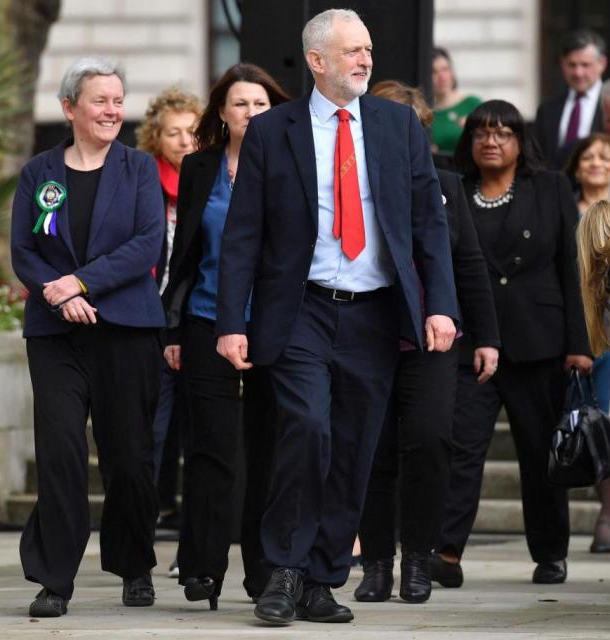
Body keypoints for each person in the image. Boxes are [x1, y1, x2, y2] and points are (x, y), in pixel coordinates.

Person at [215, 9, 458, 625]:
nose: (365, 60)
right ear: (317, 61)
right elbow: (243, 234)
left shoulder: (398, 124)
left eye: (368, 49)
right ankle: (284, 571)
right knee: (309, 429)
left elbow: (429, 224)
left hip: (375, 314)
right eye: (352, 50)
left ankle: (323, 579)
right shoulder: (274, 131)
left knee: (353, 448)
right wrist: (229, 322)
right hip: (301, 308)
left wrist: (440, 307)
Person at [11, 58, 165, 618]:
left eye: (118, 100)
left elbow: (147, 244)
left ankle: (134, 564)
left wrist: (79, 282)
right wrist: (59, 295)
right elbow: (24, 251)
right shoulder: (39, 173)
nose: (112, 111)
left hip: (124, 329)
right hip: (55, 335)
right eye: (100, 100)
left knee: (127, 458)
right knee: (60, 454)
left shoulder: (139, 169)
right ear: (70, 107)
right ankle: (55, 577)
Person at [432, 99, 591, 588]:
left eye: (503, 133)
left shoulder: (550, 187)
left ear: (521, 143)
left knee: (540, 451)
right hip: (472, 341)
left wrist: (579, 343)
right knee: (461, 448)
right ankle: (447, 551)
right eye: (481, 133)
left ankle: (549, 552)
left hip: (537, 342)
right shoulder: (453, 188)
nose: (491, 141)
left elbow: (571, 267)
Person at [353, 80, 499, 604]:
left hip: (434, 338)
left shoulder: (445, 184)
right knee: (372, 450)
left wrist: (487, 337)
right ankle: (374, 564)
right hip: (366, 334)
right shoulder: (350, 184)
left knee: (431, 442)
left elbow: (468, 263)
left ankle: (418, 557)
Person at [160, 62, 289, 609]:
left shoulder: (292, 168)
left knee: (267, 451)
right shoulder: (199, 167)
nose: (251, 113)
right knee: (210, 449)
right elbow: (183, 252)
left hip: (275, 327)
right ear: (221, 113)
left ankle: (263, 572)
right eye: (240, 104)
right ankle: (201, 568)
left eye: (260, 104)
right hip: (206, 321)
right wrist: (172, 324)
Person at [134, 86, 203, 543]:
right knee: (153, 426)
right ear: (155, 139)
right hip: (148, 319)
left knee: (192, 428)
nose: (182, 141)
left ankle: (183, 514)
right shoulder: (141, 183)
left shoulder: (215, 182)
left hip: (196, 319)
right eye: (172, 133)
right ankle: (145, 516)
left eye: (191, 132)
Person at [563, 133, 610, 554]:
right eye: (589, 157)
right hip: (567, 328)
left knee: (607, 418)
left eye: (605, 156)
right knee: (568, 418)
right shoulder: (563, 209)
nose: (597, 163)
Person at [533, 29, 608, 169]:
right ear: (562, 64)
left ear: (602, 64)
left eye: (585, 65)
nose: (578, 73)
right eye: (572, 65)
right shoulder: (548, 109)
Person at [430, 47, 481, 156]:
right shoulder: (426, 113)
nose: (441, 77)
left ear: (452, 72)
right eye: (434, 72)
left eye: (445, 69)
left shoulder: (473, 104)